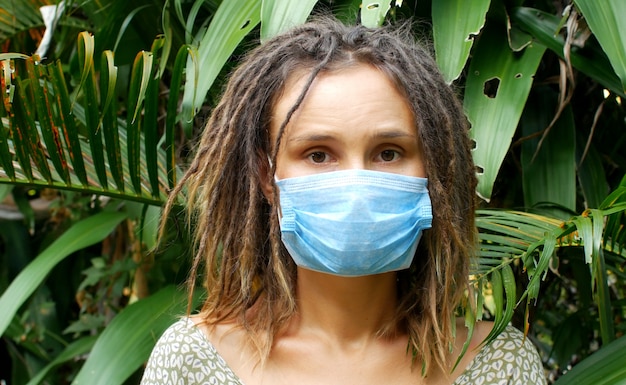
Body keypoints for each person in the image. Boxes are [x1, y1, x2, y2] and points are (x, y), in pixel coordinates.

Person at [141, 17, 546, 385]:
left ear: (433, 172)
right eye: (318, 154)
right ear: (268, 177)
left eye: (388, 152)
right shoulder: (193, 360)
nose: (356, 184)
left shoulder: (498, 365)